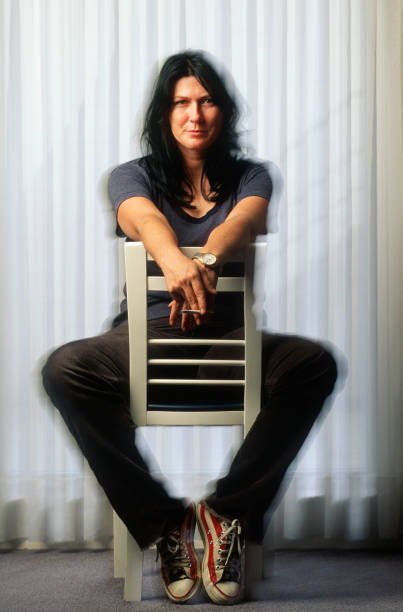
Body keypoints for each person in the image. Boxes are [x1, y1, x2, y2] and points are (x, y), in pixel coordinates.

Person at [42, 50, 337, 605]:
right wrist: (174, 260)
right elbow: (142, 218)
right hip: (144, 342)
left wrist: (207, 259)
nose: (194, 114)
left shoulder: (251, 175)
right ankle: (165, 526)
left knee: (313, 364)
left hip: (228, 347)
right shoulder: (132, 175)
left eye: (206, 101)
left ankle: (226, 515)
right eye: (181, 102)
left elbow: (244, 220)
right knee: (65, 369)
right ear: (164, 113)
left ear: (223, 110)